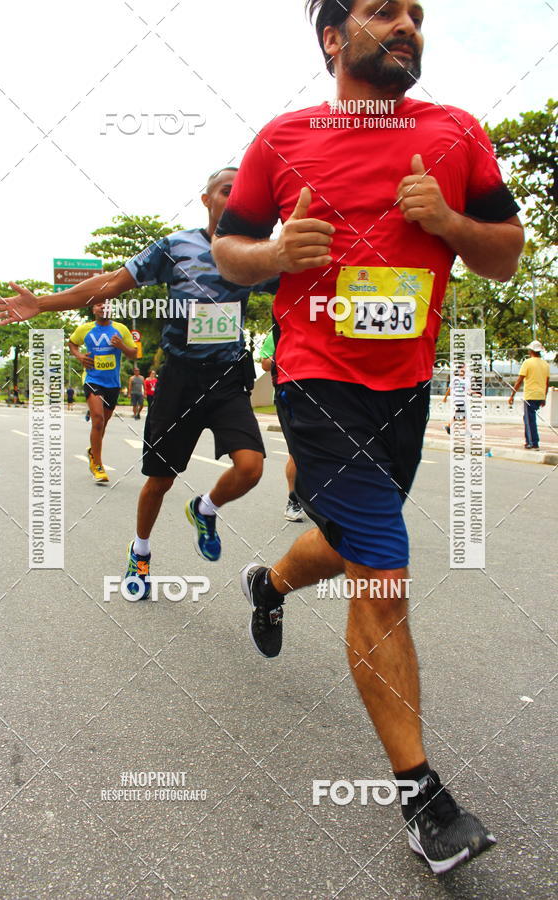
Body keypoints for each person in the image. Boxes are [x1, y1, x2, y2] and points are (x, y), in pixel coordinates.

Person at [213, 0, 524, 875]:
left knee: (355, 545)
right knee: (384, 561)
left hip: (405, 387)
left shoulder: (457, 133)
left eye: (418, 14)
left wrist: (452, 226)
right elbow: (228, 247)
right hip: (315, 374)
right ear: (332, 36)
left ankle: (268, 582)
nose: (409, 26)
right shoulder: (282, 139)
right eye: (386, 11)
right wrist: (276, 255)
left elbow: (506, 252)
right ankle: (425, 801)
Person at [0, 167, 275, 591]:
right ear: (206, 199)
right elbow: (110, 284)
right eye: (226, 190)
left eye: (241, 191)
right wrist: (43, 304)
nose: (234, 197)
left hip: (227, 376)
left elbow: (309, 277)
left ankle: (205, 509)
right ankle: (140, 552)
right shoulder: (177, 246)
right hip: (179, 379)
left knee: (251, 468)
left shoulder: (257, 251)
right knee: (159, 481)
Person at [69, 302, 138, 483]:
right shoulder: (85, 329)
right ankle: (97, 465)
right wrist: (80, 357)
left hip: (112, 383)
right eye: (99, 305)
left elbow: (134, 353)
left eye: (107, 305)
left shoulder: (121, 329)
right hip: (92, 379)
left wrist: (121, 346)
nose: (103, 308)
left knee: (103, 424)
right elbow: (72, 343)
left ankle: (93, 451)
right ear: (93, 309)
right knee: (97, 419)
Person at [258, 331, 303, 522]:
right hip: (289, 396)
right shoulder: (279, 332)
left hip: (320, 395)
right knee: (296, 450)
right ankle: (293, 500)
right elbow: (265, 363)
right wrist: (289, 354)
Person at [508, 340, 550, 450]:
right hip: (540, 395)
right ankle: (529, 441)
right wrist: (544, 397)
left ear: (531, 351)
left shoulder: (527, 363)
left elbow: (519, 381)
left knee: (529, 419)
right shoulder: (545, 364)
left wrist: (512, 394)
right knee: (529, 418)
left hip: (530, 395)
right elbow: (547, 383)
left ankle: (533, 442)